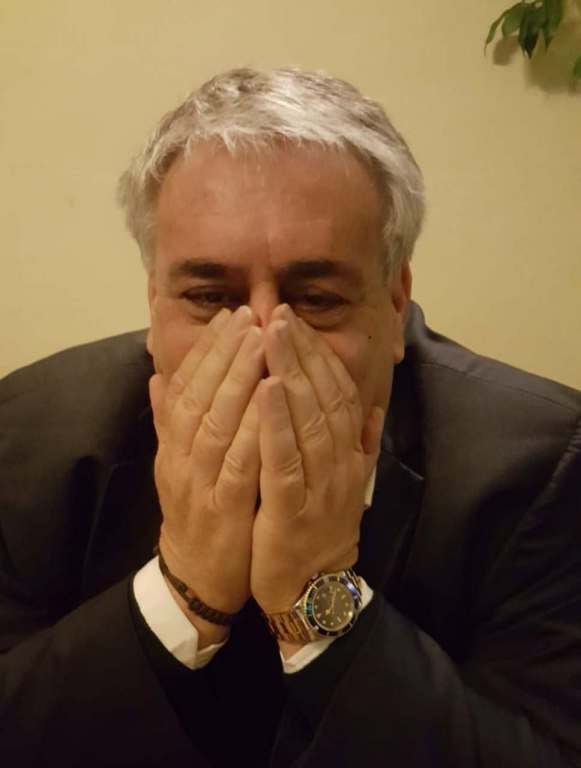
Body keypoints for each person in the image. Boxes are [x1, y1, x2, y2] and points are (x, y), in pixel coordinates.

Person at [0, 67, 580, 768]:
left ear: (395, 303)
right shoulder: (26, 441)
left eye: (317, 300)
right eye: (210, 298)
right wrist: (181, 594)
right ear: (154, 303)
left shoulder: (542, 467)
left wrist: (317, 597)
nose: (265, 349)